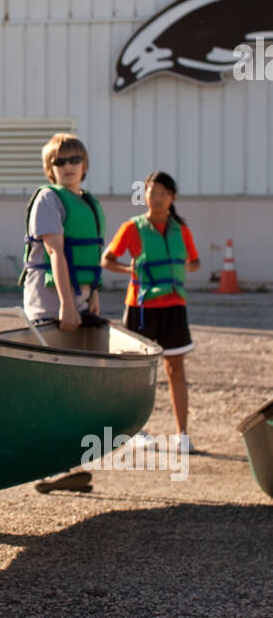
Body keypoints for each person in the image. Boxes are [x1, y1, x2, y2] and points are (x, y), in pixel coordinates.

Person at [19, 133, 107, 493]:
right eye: (60, 161)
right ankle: (44, 466)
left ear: (85, 164)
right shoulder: (48, 200)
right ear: (49, 168)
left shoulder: (86, 201)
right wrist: (68, 306)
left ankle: (67, 465)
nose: (68, 167)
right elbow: (56, 253)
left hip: (79, 300)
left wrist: (92, 296)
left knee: (77, 385)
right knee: (52, 383)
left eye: (74, 160)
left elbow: (89, 254)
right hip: (51, 302)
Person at [101, 171, 201, 452]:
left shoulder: (181, 229)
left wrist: (179, 272)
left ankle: (182, 434)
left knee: (176, 369)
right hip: (141, 307)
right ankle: (136, 432)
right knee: (139, 371)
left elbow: (195, 262)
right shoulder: (132, 228)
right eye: (151, 192)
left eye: (163, 193)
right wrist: (128, 269)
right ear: (144, 194)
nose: (156, 198)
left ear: (173, 197)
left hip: (173, 307)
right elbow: (106, 260)